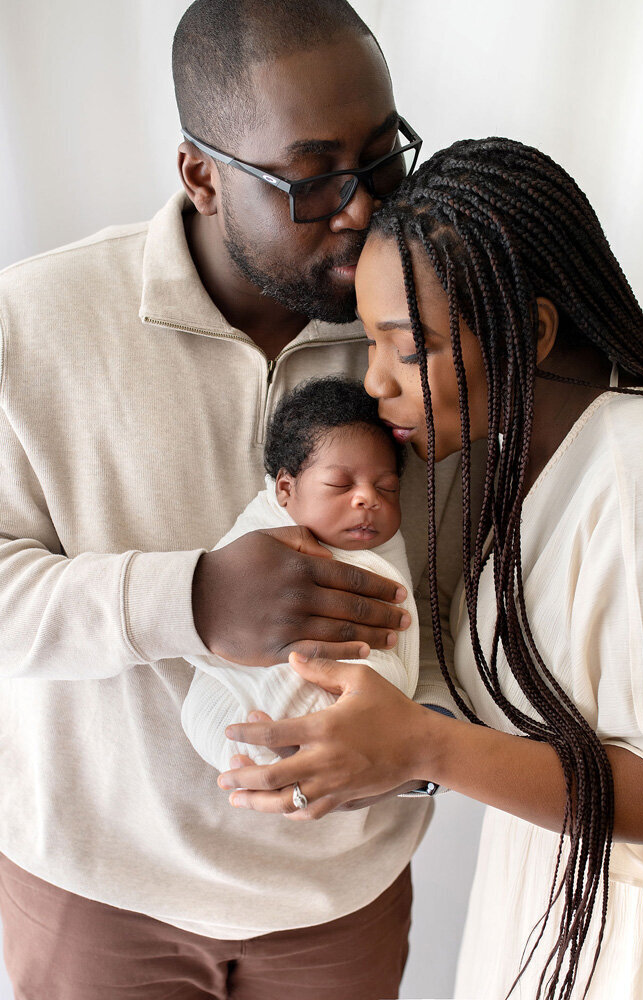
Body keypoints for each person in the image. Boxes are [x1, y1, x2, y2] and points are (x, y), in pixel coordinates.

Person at [0, 2, 467, 998]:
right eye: (309, 179)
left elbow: (490, 573)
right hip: (94, 898)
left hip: (341, 901)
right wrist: (194, 598)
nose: (359, 208)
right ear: (201, 175)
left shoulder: (430, 326)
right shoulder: (29, 323)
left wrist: (425, 747)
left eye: (383, 160)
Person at [219, 138, 643, 1000]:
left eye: (404, 348)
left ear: (535, 330)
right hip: (549, 896)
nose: (373, 383)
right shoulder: (527, 460)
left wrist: (424, 745)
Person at [182, 375, 420, 772]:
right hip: (244, 680)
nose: (368, 499)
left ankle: (294, 734)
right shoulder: (261, 528)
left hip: (355, 704)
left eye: (387, 488)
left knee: (380, 676)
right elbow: (217, 602)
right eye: (340, 484)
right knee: (203, 711)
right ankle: (259, 731)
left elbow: (406, 633)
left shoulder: (383, 547)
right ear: (285, 490)